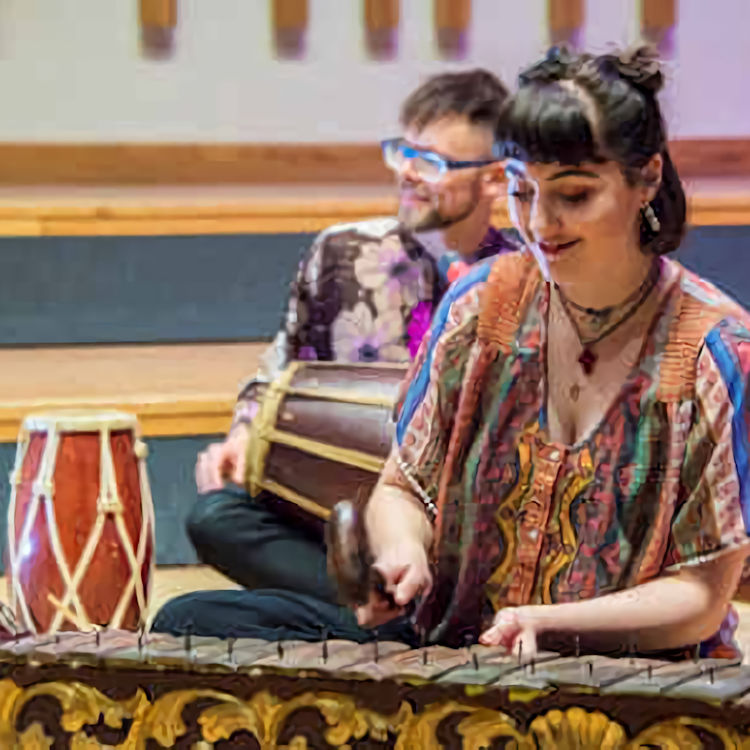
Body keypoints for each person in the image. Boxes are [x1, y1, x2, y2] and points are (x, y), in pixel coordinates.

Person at [355, 45, 750, 660]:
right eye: (521, 191)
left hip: (634, 686)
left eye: (573, 195)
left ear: (646, 178)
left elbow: (701, 598)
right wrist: (402, 549)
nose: (539, 224)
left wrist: (553, 623)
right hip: (457, 660)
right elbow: (402, 489)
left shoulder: (712, 350)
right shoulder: (479, 303)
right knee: (206, 618)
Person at [151, 69, 519, 640]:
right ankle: (394, 616)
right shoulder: (343, 251)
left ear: (496, 179)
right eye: (404, 152)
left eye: (435, 163)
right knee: (217, 516)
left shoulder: (516, 275)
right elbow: (281, 364)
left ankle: (396, 614)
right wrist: (246, 432)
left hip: (449, 532)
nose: (409, 174)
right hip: (338, 513)